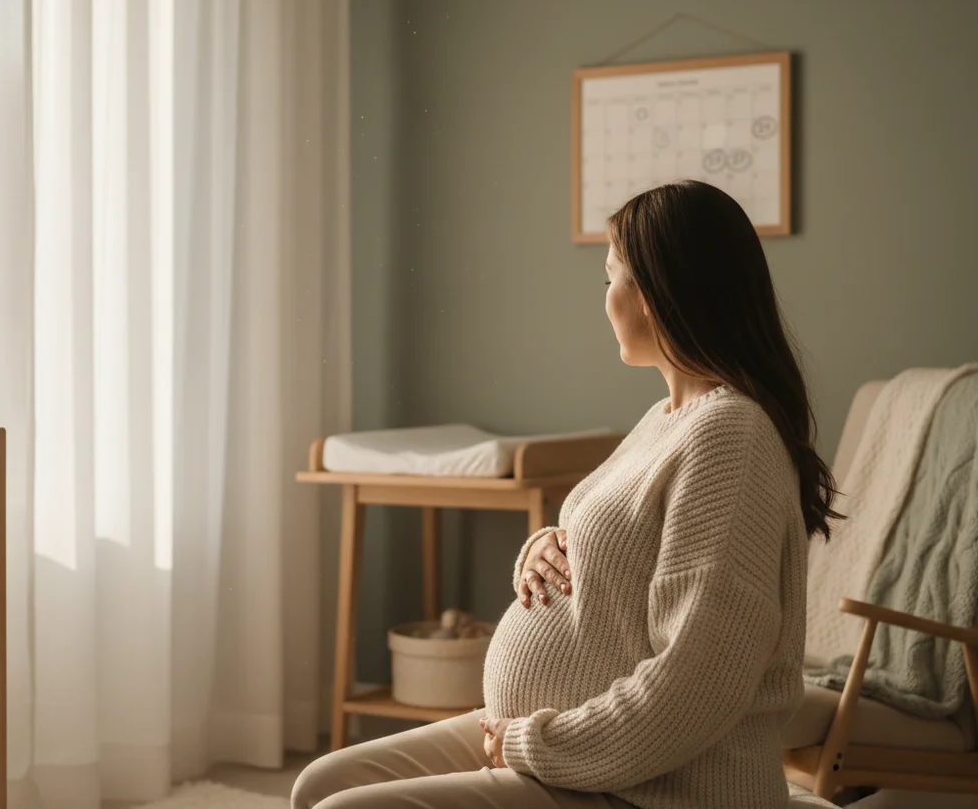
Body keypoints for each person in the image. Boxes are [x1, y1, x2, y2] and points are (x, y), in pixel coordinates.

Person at [292, 180, 838, 809]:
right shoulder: (669, 416)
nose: (605, 300)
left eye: (611, 279)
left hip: (654, 787)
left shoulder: (730, 437)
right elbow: (621, 544)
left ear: (663, 291)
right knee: (321, 783)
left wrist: (535, 744)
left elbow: (698, 683)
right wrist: (544, 547)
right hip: (562, 746)